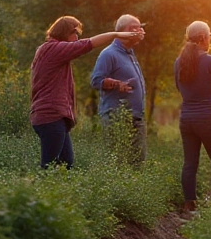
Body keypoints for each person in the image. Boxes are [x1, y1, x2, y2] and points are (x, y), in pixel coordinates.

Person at [30, 16, 137, 169]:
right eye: (75, 33)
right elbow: (88, 44)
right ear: (65, 32)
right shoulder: (53, 49)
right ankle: (35, 192)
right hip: (50, 116)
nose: (77, 38)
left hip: (53, 117)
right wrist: (116, 35)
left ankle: (59, 192)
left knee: (66, 163)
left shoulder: (50, 50)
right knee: (49, 166)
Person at [174, 21, 211, 212]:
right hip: (209, 119)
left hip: (187, 120)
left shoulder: (178, 62)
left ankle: (189, 204)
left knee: (190, 163)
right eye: (210, 36)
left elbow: (179, 88)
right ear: (204, 38)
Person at [89, 14, 148, 165]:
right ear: (124, 31)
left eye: (140, 27)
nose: (140, 31)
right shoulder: (109, 54)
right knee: (118, 162)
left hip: (135, 117)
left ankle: (134, 189)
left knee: (137, 163)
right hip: (117, 117)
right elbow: (96, 81)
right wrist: (116, 84)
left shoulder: (130, 53)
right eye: (135, 28)